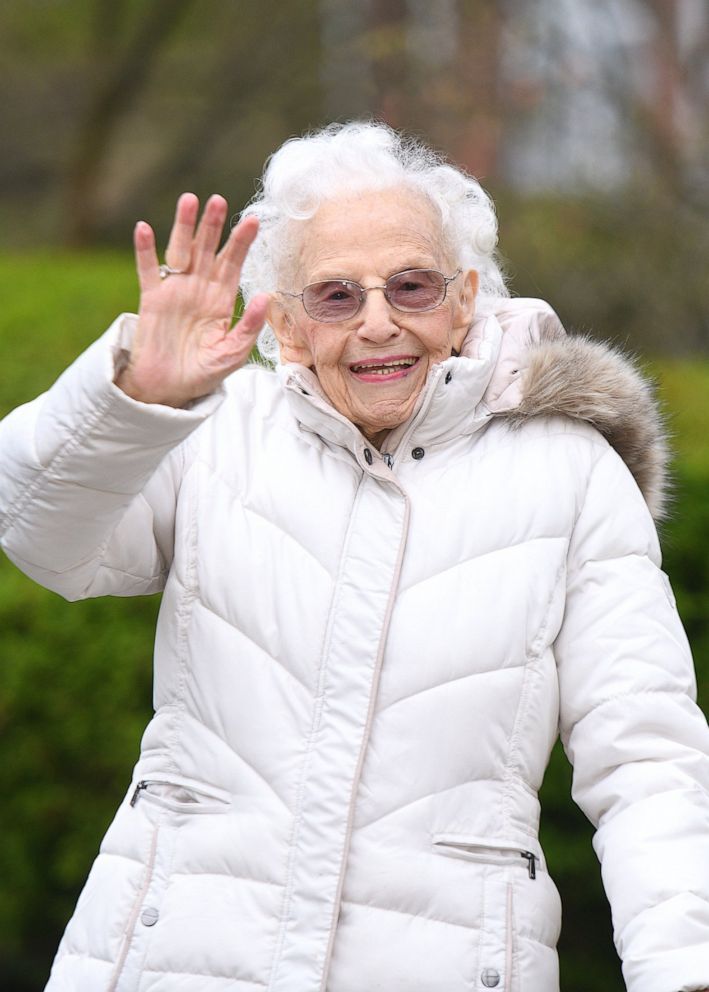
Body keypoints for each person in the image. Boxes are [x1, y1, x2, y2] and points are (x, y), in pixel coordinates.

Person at [1, 121, 708, 992]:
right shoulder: (213, 432)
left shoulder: (569, 469)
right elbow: (42, 537)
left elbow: (647, 753)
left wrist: (683, 970)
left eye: (411, 286)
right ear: (288, 327)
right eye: (336, 296)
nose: (379, 323)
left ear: (465, 301)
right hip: (174, 959)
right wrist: (133, 400)